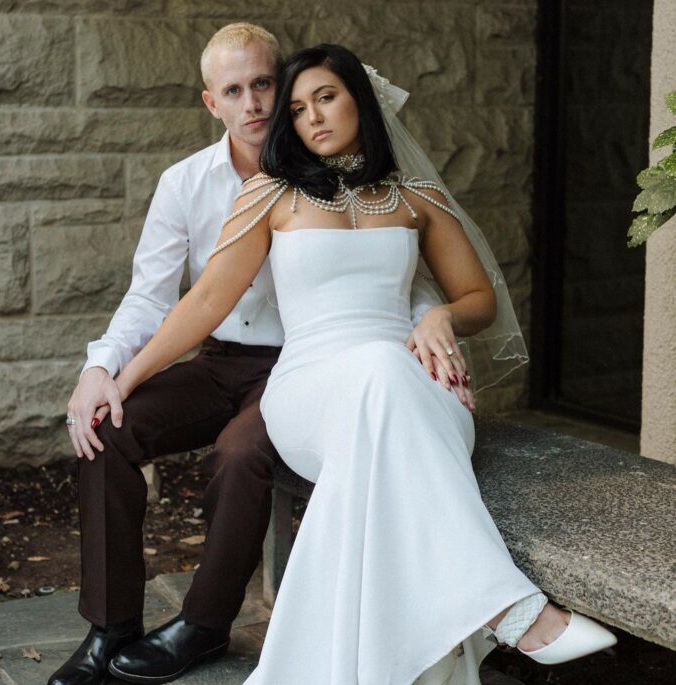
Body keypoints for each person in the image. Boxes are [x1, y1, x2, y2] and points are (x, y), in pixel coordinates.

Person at [104, 43, 619, 685]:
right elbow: (205, 300)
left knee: (384, 371)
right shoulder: (269, 195)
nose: (313, 117)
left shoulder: (416, 197)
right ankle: (507, 608)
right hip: (308, 389)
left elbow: (478, 299)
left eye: (326, 97)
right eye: (297, 108)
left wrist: (439, 318)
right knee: (380, 363)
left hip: (409, 387)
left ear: (360, 99)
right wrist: (122, 375)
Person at [49, 26, 466, 685]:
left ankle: (204, 626)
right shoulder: (185, 183)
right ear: (211, 102)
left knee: (241, 453)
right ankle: (110, 628)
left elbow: (396, 276)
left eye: (265, 85)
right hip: (216, 360)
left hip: (306, 367)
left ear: (284, 81)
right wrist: (103, 371)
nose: (254, 104)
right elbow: (156, 296)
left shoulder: (340, 174)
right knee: (107, 429)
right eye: (234, 91)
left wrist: (427, 341)